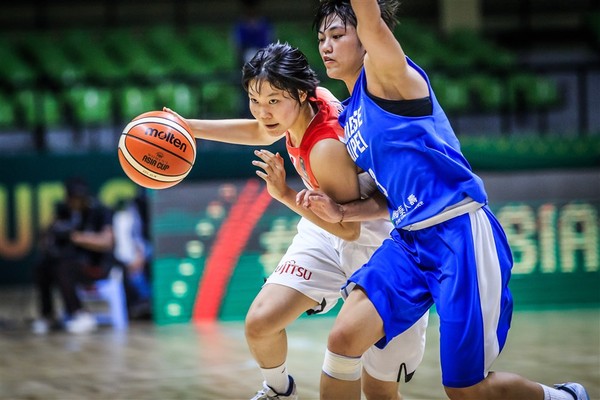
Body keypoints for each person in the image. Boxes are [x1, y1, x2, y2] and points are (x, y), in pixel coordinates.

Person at [297, 1, 591, 400]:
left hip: (457, 233)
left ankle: (563, 398)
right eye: (321, 40)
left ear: (365, 40)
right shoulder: (350, 116)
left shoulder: (387, 75)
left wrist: (365, 15)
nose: (326, 47)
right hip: (409, 241)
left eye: (337, 36)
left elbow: (369, 16)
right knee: (344, 337)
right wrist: (343, 211)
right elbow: (387, 199)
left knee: (465, 390)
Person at [164, 42, 428, 400]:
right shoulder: (307, 101)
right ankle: (279, 390)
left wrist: (284, 194)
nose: (262, 111)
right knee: (260, 323)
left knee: (378, 390)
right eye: (255, 100)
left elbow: (349, 228)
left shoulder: (325, 149)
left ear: (300, 94)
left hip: (374, 244)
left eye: (273, 100)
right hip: (324, 227)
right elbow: (261, 131)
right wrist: (187, 127)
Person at [32, 177, 115, 335]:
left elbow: (107, 242)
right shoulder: (63, 212)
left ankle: (81, 314)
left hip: (95, 265)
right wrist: (51, 234)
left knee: (63, 268)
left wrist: (76, 237)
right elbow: (46, 236)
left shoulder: (100, 211)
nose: (75, 202)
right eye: (72, 198)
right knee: (42, 266)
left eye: (78, 198)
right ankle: (47, 315)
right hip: (70, 263)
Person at [113, 190, 152, 319]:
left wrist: (140, 255)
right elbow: (128, 239)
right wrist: (133, 258)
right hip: (127, 258)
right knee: (132, 272)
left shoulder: (149, 214)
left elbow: (140, 239)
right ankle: (142, 302)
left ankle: (149, 301)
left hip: (147, 253)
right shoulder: (122, 218)